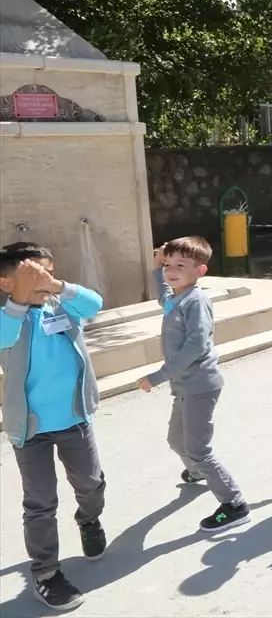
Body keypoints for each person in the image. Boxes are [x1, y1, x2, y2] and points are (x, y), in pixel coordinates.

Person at [0, 246, 106, 610]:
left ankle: (89, 519)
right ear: (6, 283)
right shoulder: (6, 318)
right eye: (32, 278)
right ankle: (46, 573)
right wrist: (17, 301)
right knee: (40, 502)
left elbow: (94, 303)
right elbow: (3, 338)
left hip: (75, 418)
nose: (41, 284)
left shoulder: (62, 307)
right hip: (30, 430)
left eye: (47, 275)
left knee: (90, 484)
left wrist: (58, 286)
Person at [139, 237, 248, 533]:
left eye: (181, 266)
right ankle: (198, 472)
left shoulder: (195, 301)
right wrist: (156, 266)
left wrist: (159, 375)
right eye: (168, 265)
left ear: (200, 271)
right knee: (177, 441)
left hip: (200, 385)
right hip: (185, 386)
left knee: (199, 449)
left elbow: (197, 345)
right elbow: (163, 295)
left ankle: (234, 504)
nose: (171, 270)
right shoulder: (176, 297)